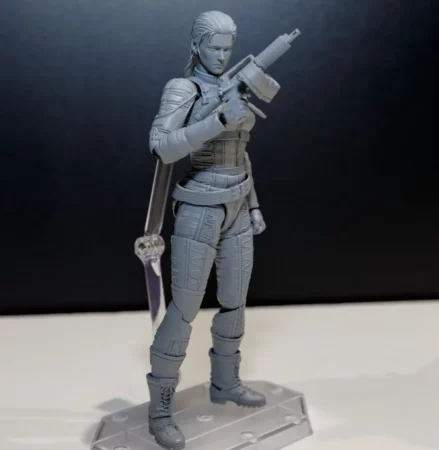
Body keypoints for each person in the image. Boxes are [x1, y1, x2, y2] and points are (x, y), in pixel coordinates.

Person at [146, 11, 267, 449]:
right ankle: (160, 410)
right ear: (196, 45)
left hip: (238, 204)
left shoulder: (234, 84)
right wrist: (217, 120)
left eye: (227, 48)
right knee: (184, 309)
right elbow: (161, 145)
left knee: (234, 301)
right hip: (199, 207)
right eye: (214, 47)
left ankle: (225, 383)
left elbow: (239, 152)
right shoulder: (185, 88)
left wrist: (253, 204)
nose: (221, 56)